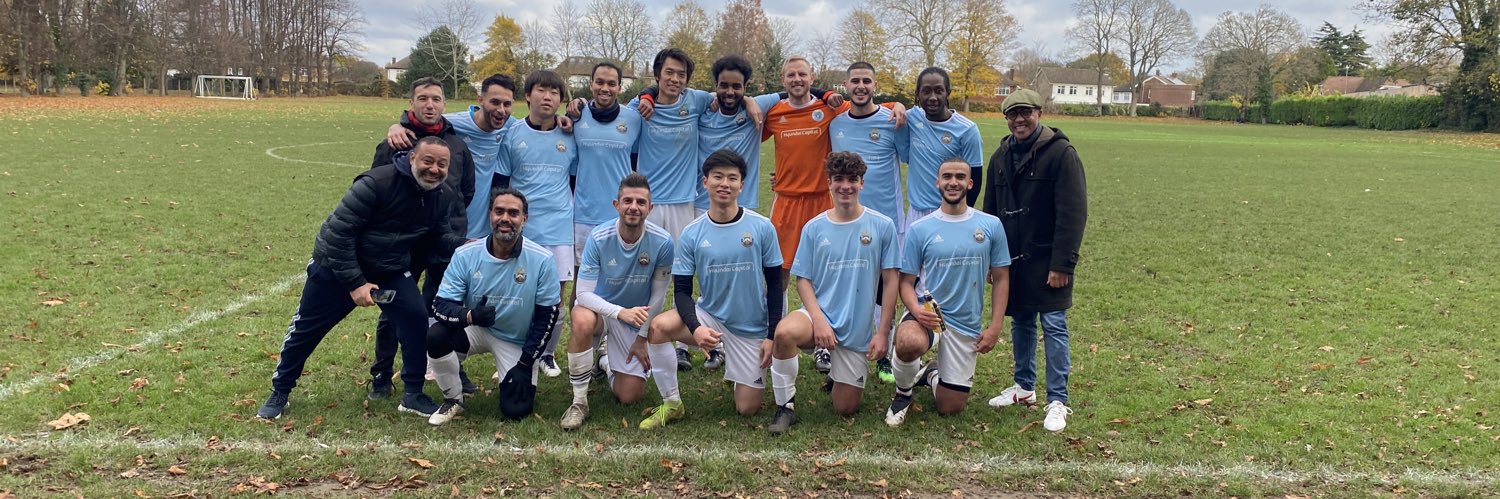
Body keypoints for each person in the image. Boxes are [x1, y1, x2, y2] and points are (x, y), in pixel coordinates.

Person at [257, 137, 466, 420]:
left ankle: (413, 394)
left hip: (389, 269)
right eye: (428, 161)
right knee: (307, 329)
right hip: (335, 267)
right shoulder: (376, 183)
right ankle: (280, 390)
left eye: (442, 164)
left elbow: (438, 237)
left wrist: (471, 246)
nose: (434, 169)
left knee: (416, 317)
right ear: (412, 157)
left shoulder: (443, 194)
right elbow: (337, 234)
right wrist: (355, 282)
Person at [632, 149, 783, 429]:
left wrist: (772, 335)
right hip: (709, 317)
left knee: (747, 408)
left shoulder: (762, 227)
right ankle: (672, 403)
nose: (724, 184)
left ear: (742, 185)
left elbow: (775, 285)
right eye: (718, 177)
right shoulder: (692, 232)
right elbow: (681, 291)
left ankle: (735, 370)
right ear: (705, 182)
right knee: (659, 327)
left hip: (750, 327)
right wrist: (696, 327)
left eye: (732, 178)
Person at [765, 152, 898, 435]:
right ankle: (784, 406)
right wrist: (819, 319)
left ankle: (840, 375)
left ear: (862, 183)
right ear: (829, 183)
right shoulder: (815, 227)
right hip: (818, 317)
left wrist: (883, 333)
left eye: (852, 179)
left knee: (845, 408)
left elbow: (890, 281)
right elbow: (803, 280)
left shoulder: (882, 226)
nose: (845, 186)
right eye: (839, 179)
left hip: (855, 329)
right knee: (784, 333)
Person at [981, 88, 1088, 432]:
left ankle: (1058, 399)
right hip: (1012, 258)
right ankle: (1024, 387)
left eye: (1025, 112)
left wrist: (1063, 264)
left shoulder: (1061, 153)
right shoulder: (1001, 156)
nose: (1019, 120)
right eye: (1012, 114)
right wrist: (990, 260)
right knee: (1022, 322)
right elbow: (991, 212)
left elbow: (1073, 213)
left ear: (1039, 112)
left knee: (1053, 325)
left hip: (1048, 258)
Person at [366, 77, 478, 401]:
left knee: (448, 305)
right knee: (393, 307)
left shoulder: (457, 145)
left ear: (444, 104)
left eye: (436, 99)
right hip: (401, 242)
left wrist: (447, 221)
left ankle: (455, 367)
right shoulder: (395, 142)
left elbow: (465, 190)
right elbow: (376, 188)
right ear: (411, 102)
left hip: (445, 239)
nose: (430, 105)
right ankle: (382, 374)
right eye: (423, 98)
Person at [884, 159, 1011, 427]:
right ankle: (903, 393)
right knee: (907, 343)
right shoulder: (921, 228)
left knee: (950, 408)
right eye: (947, 177)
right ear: (937, 183)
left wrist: (995, 327)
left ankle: (931, 374)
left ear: (970, 183)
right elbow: (905, 282)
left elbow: (1001, 279)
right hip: (929, 313)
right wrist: (916, 309)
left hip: (966, 321)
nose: (953, 182)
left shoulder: (990, 225)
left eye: (960, 177)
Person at [425, 188, 562, 425]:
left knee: (516, 410)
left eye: (513, 213)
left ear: (524, 219)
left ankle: (521, 373)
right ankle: (453, 399)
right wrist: (469, 315)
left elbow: (546, 318)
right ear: (490, 214)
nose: (505, 218)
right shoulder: (465, 254)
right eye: (499, 211)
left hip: (515, 339)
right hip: (476, 328)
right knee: (437, 335)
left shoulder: (542, 259)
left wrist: (525, 363)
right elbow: (440, 305)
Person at [561, 173, 674, 430]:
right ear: (616, 205)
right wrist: (619, 312)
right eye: (627, 201)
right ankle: (579, 402)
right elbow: (583, 294)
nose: (634, 207)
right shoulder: (599, 237)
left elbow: (658, 296)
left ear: (650, 208)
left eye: (641, 202)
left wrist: (643, 338)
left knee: (629, 396)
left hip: (636, 320)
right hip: (604, 312)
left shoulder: (663, 242)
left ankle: (604, 361)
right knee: (581, 318)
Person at [828, 61, 910, 384]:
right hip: (846, 219)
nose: (860, 86)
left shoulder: (892, 120)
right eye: (855, 81)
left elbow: (906, 158)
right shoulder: (836, 124)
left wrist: (899, 106)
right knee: (847, 286)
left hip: (887, 219)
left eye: (867, 81)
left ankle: (884, 353)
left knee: (883, 289)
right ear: (845, 86)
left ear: (875, 85)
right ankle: (842, 353)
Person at [495, 70, 578, 378]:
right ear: (527, 96)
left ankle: (546, 353)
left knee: (554, 299)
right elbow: (501, 182)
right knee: (516, 293)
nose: (548, 97)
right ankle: (512, 351)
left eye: (554, 93)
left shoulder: (570, 134)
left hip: (558, 226)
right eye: (541, 91)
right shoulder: (512, 133)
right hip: (520, 228)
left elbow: (574, 179)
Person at [904, 67, 984, 226]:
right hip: (915, 213)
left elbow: (975, 178)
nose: (933, 97)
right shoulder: (911, 118)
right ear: (917, 94)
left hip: (950, 213)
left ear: (948, 92)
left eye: (939, 90)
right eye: (926, 91)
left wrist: (962, 214)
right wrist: (897, 105)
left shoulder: (967, 130)